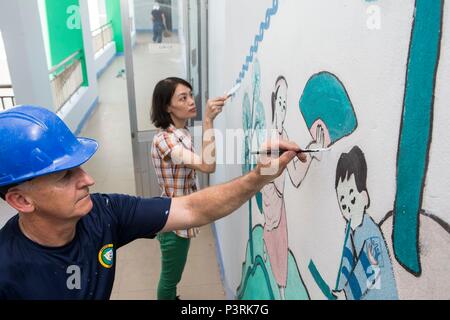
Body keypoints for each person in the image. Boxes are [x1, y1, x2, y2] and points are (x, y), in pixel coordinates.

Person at [0, 105, 304, 300]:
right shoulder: (7, 271)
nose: (88, 181)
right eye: (66, 176)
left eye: (81, 168)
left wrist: (261, 174)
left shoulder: (104, 212)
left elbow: (192, 208)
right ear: (21, 200)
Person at [150, 77, 227, 300]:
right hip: (173, 222)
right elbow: (207, 165)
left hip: (180, 214)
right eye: (182, 98)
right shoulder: (165, 141)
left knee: (173, 277)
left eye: (190, 95)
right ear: (167, 107)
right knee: (169, 280)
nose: (191, 101)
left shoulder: (180, 132)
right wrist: (209, 121)